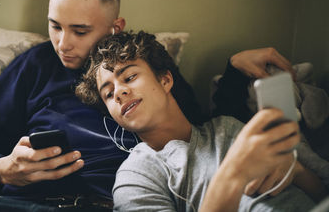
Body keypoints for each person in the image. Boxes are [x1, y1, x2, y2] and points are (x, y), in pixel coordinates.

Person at [0, 0, 303, 210]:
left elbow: (199, 134)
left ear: (114, 27)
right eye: (54, 25)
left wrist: (233, 69)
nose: (63, 43)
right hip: (28, 202)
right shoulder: (35, 65)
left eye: (80, 30)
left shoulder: (141, 66)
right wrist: (2, 170)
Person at [75, 31, 328, 212]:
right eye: (108, 94)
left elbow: (322, 192)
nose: (118, 92)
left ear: (165, 80)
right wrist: (232, 176)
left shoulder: (228, 128)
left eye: (129, 77)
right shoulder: (136, 175)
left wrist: (294, 170)